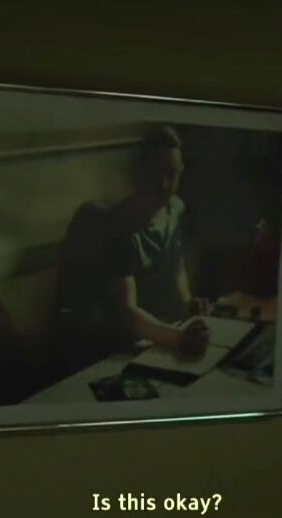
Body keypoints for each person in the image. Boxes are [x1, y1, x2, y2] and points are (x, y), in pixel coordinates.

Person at [105, 125, 212, 358]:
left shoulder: (176, 209)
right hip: (128, 346)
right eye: (155, 173)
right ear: (141, 171)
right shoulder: (121, 229)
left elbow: (177, 267)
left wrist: (188, 303)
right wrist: (179, 338)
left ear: (181, 172)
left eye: (171, 174)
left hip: (167, 333)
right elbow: (128, 311)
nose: (163, 184)